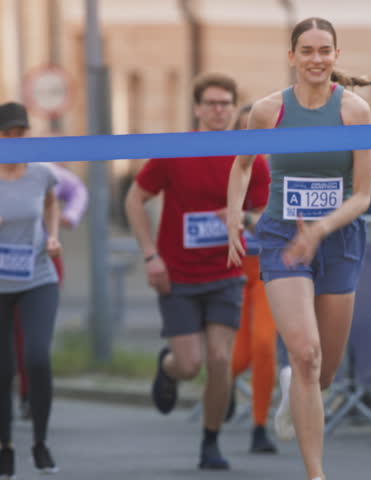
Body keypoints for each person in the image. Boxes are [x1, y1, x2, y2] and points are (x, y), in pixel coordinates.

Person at [224, 17, 371, 480]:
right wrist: (232, 214)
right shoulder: (266, 111)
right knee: (305, 355)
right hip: (283, 236)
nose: (317, 59)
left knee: (322, 375)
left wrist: (320, 228)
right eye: (307, 50)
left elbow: (362, 195)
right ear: (292, 57)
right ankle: (316, 474)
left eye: (325, 50)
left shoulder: (354, 111)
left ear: (336, 57)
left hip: (339, 238)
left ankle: (293, 392)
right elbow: (241, 165)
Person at [124, 73, 270, 470]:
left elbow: (265, 216)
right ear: (197, 109)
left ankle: (211, 442)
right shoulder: (177, 150)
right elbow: (135, 198)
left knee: (220, 360)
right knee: (189, 364)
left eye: (226, 103)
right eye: (211, 103)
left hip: (227, 271)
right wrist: (150, 254)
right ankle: (167, 368)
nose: (219, 110)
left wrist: (242, 217)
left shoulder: (249, 156)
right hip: (178, 274)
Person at [0, 102, 62, 477]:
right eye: (9, 133)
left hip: (38, 275)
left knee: (37, 357)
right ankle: (4, 444)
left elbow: (53, 201)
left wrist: (52, 235)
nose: (16, 139)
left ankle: (40, 442)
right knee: (2, 368)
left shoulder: (40, 172)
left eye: (22, 132)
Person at [14, 161, 88, 420]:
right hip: (4, 258)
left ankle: (31, 396)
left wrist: (71, 216)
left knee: (32, 336)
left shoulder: (42, 170)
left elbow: (77, 188)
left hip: (41, 258)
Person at [225, 105, 277, 454]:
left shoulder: (274, 167)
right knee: (237, 356)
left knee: (263, 345)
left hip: (268, 267)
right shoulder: (226, 161)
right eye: (245, 130)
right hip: (230, 266)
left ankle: (259, 425)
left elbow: (273, 220)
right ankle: (222, 383)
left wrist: (244, 216)